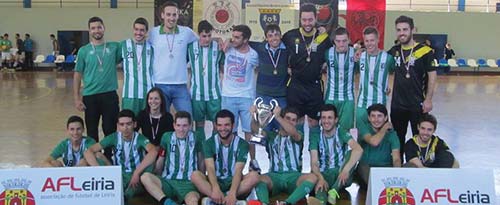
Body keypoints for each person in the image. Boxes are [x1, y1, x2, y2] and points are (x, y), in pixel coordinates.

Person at [282, 3, 332, 151]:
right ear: (300, 19)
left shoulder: (323, 38)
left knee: (314, 123)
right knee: (295, 121)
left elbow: (335, 54)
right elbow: (274, 49)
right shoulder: (290, 36)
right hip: (295, 86)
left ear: (316, 19)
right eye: (304, 20)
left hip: (315, 87)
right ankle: (296, 161)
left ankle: (315, 161)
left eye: (310, 20)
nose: (307, 23)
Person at [387, 16, 437, 158]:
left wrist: (428, 99)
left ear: (412, 30)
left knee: (419, 139)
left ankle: (418, 169)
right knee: (398, 140)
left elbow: (432, 76)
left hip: (417, 104)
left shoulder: (425, 51)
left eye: (405, 29)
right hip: (398, 106)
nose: (402, 33)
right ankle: (398, 170)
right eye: (398, 30)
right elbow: (381, 65)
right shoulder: (394, 51)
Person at [84, 109, 158, 202]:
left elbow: (154, 151)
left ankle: (122, 197)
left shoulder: (139, 138)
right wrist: (99, 170)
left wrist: (137, 173)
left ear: (134, 124)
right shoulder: (114, 137)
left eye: (128, 124)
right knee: (97, 155)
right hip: (119, 175)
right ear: (118, 126)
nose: (125, 128)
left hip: (135, 176)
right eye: (122, 124)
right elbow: (88, 151)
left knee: (150, 165)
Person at [73, 16, 121, 158]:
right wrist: (77, 98)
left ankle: (109, 156)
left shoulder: (114, 47)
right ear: (89, 30)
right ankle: (95, 158)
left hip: (109, 95)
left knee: (109, 129)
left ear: (104, 28)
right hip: (90, 96)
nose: (96, 30)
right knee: (92, 131)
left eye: (99, 27)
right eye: (93, 28)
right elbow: (77, 74)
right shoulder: (83, 51)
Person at [191, 109, 259, 205]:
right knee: (195, 175)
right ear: (215, 125)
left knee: (255, 176)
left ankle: (218, 200)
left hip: (234, 181)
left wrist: (232, 192)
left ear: (233, 125)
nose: (223, 128)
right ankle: (227, 200)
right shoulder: (208, 143)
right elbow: (210, 168)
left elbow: (238, 171)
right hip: (216, 180)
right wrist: (215, 188)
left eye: (226, 125)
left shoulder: (242, 144)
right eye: (219, 125)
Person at [253, 106, 317, 205]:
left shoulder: (298, 134)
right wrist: (253, 116)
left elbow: (292, 132)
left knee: (312, 177)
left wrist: (278, 117)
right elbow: (255, 130)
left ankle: (288, 203)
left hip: (294, 177)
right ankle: (264, 203)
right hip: (274, 176)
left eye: (293, 120)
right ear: (283, 118)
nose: (290, 122)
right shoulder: (272, 136)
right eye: (287, 118)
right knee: (257, 179)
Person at [140, 111, 201, 205]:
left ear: (190, 125)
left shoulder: (197, 137)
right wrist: (157, 174)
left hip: (189, 184)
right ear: (174, 125)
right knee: (145, 177)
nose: (181, 129)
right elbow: (161, 157)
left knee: (193, 201)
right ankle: (168, 202)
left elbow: (201, 160)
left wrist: (201, 180)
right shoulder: (166, 137)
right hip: (169, 181)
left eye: (185, 125)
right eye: (178, 125)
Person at [221, 24, 260, 170]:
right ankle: (231, 161)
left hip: (246, 97)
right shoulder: (228, 48)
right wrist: (225, 40)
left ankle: (253, 161)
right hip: (228, 96)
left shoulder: (253, 55)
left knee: (249, 132)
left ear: (246, 39)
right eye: (233, 36)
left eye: (237, 37)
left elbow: (259, 69)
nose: (234, 39)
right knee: (229, 131)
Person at [149, 1, 198, 114]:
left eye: (174, 15)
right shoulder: (153, 33)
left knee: (187, 118)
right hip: (159, 84)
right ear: (162, 15)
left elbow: (203, 41)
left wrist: (220, 40)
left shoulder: (186, 32)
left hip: (180, 85)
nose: (171, 18)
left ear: (178, 15)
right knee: (161, 120)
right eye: (168, 14)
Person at [309, 104, 363, 204]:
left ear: (336, 119)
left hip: (341, 174)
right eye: (323, 118)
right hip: (324, 174)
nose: (326, 121)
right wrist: (320, 178)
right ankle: (323, 201)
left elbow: (359, 150)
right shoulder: (315, 136)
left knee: (352, 152)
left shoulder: (341, 132)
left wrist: (346, 170)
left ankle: (334, 190)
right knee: (320, 187)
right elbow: (314, 163)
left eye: (330, 118)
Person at [187, 20, 224, 149]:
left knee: (217, 124)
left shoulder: (218, 47)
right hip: (197, 94)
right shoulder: (190, 48)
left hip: (214, 93)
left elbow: (222, 67)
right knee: (199, 124)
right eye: (204, 36)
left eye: (209, 35)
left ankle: (213, 148)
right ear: (199, 34)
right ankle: (201, 149)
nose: (207, 39)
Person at [251, 24, 289, 131]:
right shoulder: (260, 48)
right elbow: (242, 42)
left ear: (281, 36)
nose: (274, 38)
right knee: (264, 128)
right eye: (270, 36)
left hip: (281, 94)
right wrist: (228, 41)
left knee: (281, 127)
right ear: (266, 38)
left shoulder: (287, 49)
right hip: (264, 94)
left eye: (276, 35)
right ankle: (268, 148)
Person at [355, 27, 395, 130]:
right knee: (362, 137)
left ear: (378, 40)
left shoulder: (388, 58)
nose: (369, 43)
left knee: (379, 136)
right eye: (366, 41)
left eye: (372, 40)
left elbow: (395, 73)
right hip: (362, 104)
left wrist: (388, 87)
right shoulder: (360, 57)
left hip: (380, 102)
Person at [356, 104, 401, 186]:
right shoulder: (364, 129)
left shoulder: (392, 134)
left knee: (412, 166)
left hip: (385, 168)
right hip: (367, 167)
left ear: (386, 118)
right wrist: (385, 128)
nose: (376, 119)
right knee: (363, 168)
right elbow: (374, 142)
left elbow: (396, 158)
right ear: (369, 118)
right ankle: (378, 186)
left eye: (379, 116)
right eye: (373, 116)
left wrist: (397, 174)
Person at [323, 27, 356, 131]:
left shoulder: (356, 53)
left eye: (344, 41)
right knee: (328, 130)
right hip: (331, 97)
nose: (341, 44)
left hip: (348, 99)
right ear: (334, 41)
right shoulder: (327, 53)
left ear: (349, 40)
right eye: (338, 41)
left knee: (345, 132)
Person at [120, 17, 155, 115]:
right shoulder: (123, 45)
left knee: (147, 127)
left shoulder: (152, 47)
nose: (138, 33)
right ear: (133, 29)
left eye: (142, 30)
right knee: (129, 126)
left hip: (147, 95)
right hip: (129, 95)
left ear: (146, 32)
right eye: (136, 29)